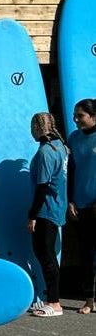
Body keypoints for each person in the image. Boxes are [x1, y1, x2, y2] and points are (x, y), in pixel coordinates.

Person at [27, 112, 68, 317]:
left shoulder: (45, 151)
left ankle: (54, 303)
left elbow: (42, 187)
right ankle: (50, 299)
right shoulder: (60, 146)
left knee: (46, 255)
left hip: (46, 210)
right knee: (47, 255)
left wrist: (32, 215)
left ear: (37, 128)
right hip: (56, 207)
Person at [67, 98, 96, 315]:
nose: (76, 120)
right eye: (75, 115)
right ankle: (89, 299)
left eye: (80, 116)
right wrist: (70, 200)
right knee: (85, 253)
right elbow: (71, 172)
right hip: (81, 204)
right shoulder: (74, 138)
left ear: (93, 116)